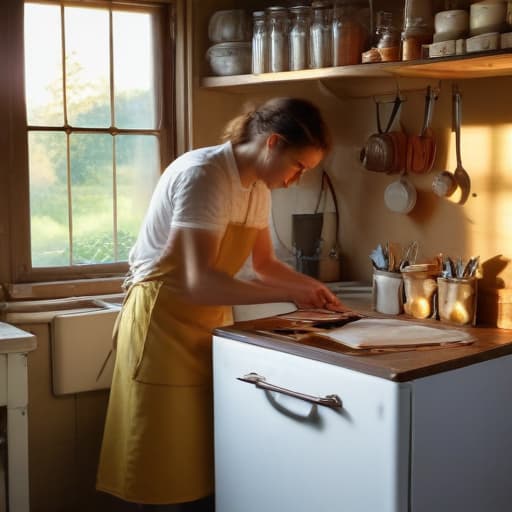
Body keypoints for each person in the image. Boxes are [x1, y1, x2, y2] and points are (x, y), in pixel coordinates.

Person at [96, 97, 344, 511]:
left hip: (206, 328)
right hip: (162, 326)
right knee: (160, 466)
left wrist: (310, 288)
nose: (296, 179)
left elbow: (265, 266)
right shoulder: (204, 176)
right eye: (298, 166)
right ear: (273, 143)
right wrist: (290, 295)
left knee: (203, 464)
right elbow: (198, 283)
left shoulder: (258, 190)